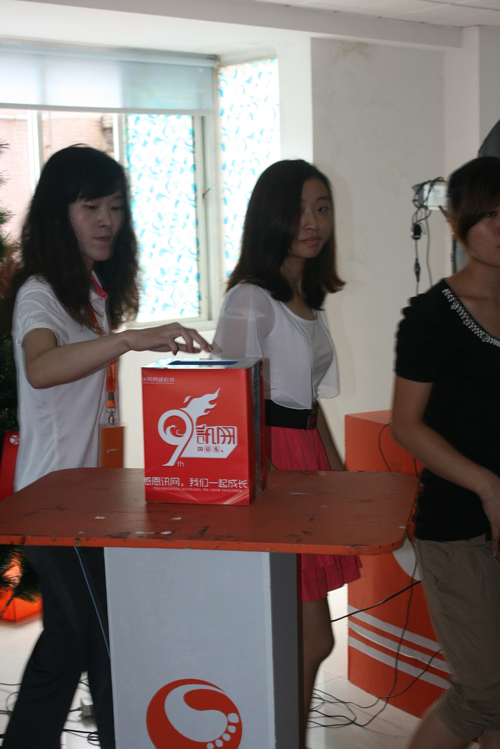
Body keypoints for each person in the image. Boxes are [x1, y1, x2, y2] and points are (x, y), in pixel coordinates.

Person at [1, 144, 211, 749]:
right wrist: (128, 340)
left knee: (68, 643)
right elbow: (42, 368)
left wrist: (121, 337)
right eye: (90, 206)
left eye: (115, 207)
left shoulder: (88, 292)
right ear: (57, 213)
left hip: (81, 499)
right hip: (51, 504)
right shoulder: (38, 293)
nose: (107, 221)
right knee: (109, 640)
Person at [213, 159, 361, 747]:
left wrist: (342, 478)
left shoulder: (309, 297)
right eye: (298, 209)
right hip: (271, 469)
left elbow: (309, 405)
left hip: (306, 459)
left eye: (322, 208)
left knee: (309, 639)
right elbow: (226, 403)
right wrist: (263, 486)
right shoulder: (250, 299)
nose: (312, 222)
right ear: (270, 217)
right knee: (301, 639)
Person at [392, 156, 500, 749]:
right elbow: (406, 426)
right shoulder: (431, 316)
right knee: (483, 694)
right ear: (455, 222)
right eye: (487, 215)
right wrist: (488, 486)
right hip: (459, 527)